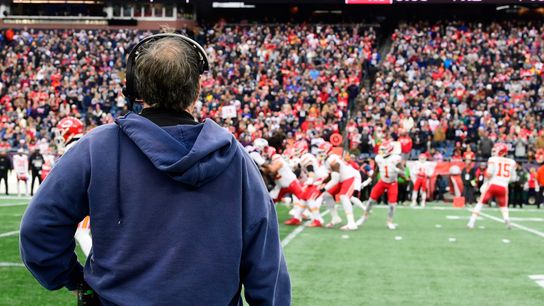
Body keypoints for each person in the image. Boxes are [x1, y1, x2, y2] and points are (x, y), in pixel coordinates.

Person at [20, 33, 290, 305]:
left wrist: (74, 279)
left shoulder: (94, 148)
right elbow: (266, 264)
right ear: (197, 90)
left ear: (137, 89)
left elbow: (38, 231)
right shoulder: (237, 159)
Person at [359, 141, 406, 230]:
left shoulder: (396, 158)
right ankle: (364, 217)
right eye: (381, 150)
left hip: (392, 183)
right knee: (370, 200)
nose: (381, 152)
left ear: (389, 150)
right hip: (382, 182)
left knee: (392, 204)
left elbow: (404, 173)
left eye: (383, 150)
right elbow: (376, 171)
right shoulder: (378, 158)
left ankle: (389, 221)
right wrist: (368, 181)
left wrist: (397, 170)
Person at [467, 143, 516, 229]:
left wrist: (486, 178)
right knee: (504, 206)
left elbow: (489, 174)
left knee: (480, 203)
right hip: (504, 186)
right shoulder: (511, 162)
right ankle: (506, 219)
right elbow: (513, 178)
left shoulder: (493, 159)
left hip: (493, 184)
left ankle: (472, 221)